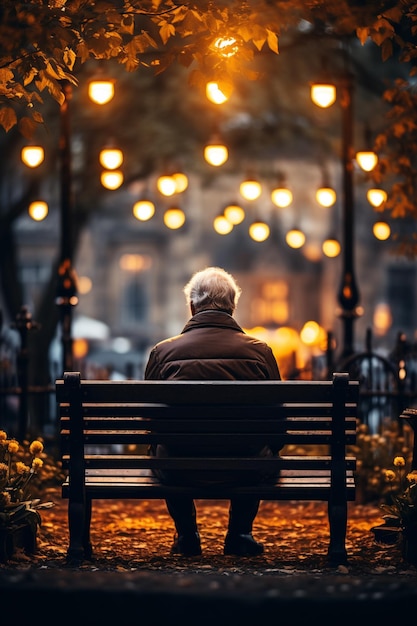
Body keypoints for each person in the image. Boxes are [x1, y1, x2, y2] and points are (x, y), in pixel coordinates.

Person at [144, 266, 281, 557]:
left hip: (179, 467)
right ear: (232, 307)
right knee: (260, 451)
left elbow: (150, 421)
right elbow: (276, 420)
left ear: (192, 306)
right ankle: (240, 533)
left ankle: (187, 535)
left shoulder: (162, 353)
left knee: (164, 451)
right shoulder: (260, 352)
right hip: (245, 467)